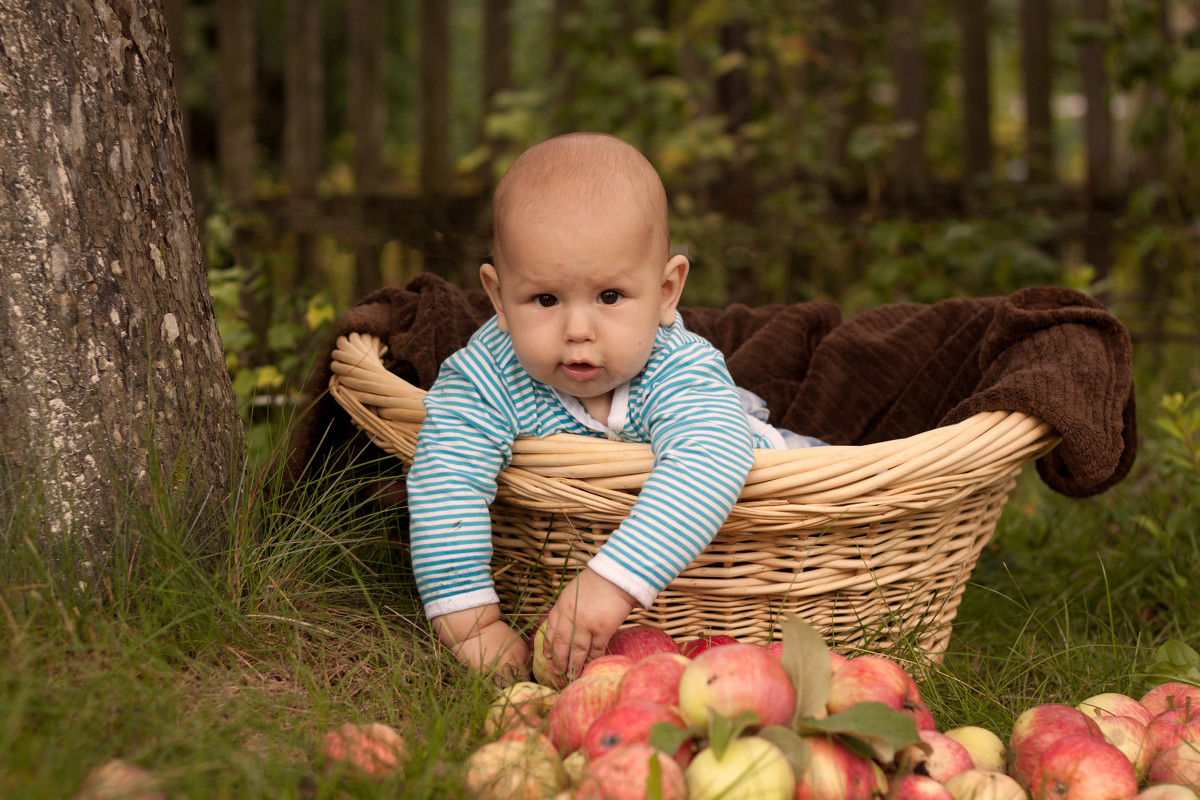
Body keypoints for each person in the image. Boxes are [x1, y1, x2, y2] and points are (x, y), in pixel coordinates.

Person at [404, 132, 820, 683]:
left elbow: (711, 459)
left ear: (666, 291)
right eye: (545, 300)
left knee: (829, 468)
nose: (579, 330)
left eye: (609, 297)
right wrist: (471, 625)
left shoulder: (680, 368)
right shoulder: (485, 378)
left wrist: (608, 584)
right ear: (499, 298)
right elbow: (445, 480)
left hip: (772, 496)